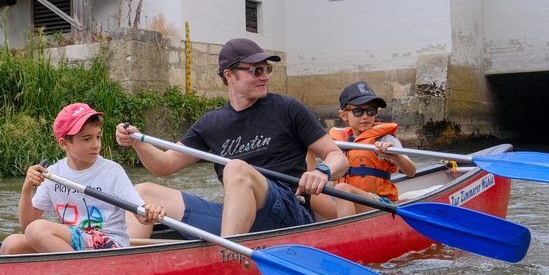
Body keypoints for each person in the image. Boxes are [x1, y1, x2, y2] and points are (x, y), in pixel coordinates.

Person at [116, 37, 350, 239]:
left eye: (266, 69)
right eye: (256, 71)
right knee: (142, 192)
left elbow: (337, 157)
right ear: (229, 75)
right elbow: (164, 165)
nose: (264, 77)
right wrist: (137, 141)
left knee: (236, 168)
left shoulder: (288, 109)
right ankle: (123, 265)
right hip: (236, 215)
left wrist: (323, 172)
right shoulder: (211, 123)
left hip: (288, 211)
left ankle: (228, 255)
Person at [0, 103, 165, 254]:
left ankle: (82, 274)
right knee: (11, 245)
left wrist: (150, 212)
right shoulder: (53, 173)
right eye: (87, 139)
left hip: (108, 245)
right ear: (64, 144)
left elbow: (141, 216)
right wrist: (27, 188)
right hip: (74, 243)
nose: (96, 145)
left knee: (37, 230)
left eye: (98, 137)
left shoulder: (112, 171)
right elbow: (27, 224)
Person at [307, 81, 417, 219]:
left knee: (342, 189)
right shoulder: (336, 142)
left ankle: (346, 236)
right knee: (309, 189)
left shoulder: (385, 140)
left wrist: (395, 156)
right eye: (358, 111)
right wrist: (307, 145)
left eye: (371, 110)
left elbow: (411, 171)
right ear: (344, 115)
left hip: (379, 205)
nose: (365, 116)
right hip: (343, 203)